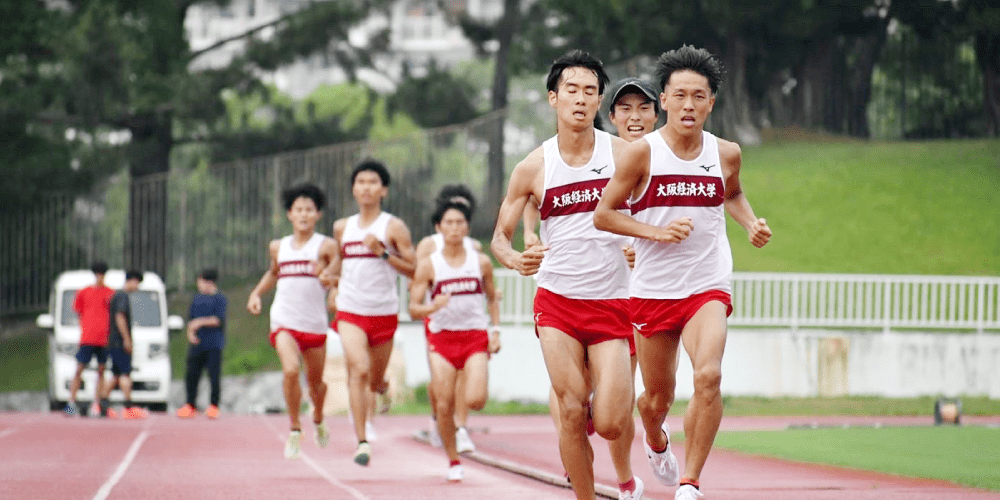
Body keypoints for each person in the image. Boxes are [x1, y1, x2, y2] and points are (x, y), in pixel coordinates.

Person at [594, 45, 773, 500]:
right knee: (656, 400)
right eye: (680, 96)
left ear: (711, 102)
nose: (689, 105)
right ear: (664, 101)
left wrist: (750, 223)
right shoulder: (641, 154)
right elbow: (604, 214)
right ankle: (656, 439)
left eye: (699, 96)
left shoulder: (726, 153)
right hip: (653, 290)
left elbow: (732, 194)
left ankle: (690, 483)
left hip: (706, 284)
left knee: (708, 376)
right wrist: (653, 234)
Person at [490, 49, 641, 500]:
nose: (580, 98)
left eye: (590, 91)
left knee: (611, 423)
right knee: (572, 411)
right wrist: (514, 259)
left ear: (599, 102)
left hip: (613, 300)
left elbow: (655, 209)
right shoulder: (533, 166)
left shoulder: (624, 155)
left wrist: (642, 245)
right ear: (553, 98)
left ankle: (602, 416)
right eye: (571, 90)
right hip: (557, 302)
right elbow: (499, 238)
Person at [410, 199, 501, 482]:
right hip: (442, 339)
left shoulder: (481, 262)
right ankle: (453, 460)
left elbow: (492, 297)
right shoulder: (429, 265)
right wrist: (432, 307)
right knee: (444, 403)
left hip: (474, 336)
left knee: (476, 399)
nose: (454, 228)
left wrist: (496, 330)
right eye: (448, 223)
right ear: (439, 227)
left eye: (460, 222)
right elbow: (413, 308)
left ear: (467, 227)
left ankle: (454, 425)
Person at [333, 159, 416, 466]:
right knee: (358, 370)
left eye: (372, 182)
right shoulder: (342, 227)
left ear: (383, 190)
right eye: (361, 182)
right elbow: (338, 262)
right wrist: (330, 281)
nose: (366, 187)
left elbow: (415, 269)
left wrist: (383, 253)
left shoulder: (393, 227)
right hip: (350, 309)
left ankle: (383, 386)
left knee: (374, 378)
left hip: (383, 312)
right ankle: (362, 441)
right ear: (354, 189)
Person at [247, 183, 339, 459]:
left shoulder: (326, 246)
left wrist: (329, 281)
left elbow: (338, 277)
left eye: (309, 210)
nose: (303, 215)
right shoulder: (278, 247)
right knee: (290, 371)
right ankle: (295, 428)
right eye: (298, 210)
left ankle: (318, 417)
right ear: (289, 214)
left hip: (314, 323)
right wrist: (256, 293)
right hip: (284, 320)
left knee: (316, 384)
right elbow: (273, 273)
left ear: (318, 214)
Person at [177, 268, 228, 419]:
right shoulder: (197, 299)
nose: (198, 285)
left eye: (200, 282)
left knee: (214, 376)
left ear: (208, 282)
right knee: (191, 375)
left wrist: (199, 323)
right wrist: (190, 334)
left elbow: (218, 320)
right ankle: (190, 405)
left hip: (213, 344)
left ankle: (214, 406)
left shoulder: (219, 299)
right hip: (197, 345)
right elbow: (190, 321)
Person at [66, 261, 114, 416]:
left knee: (101, 371)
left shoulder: (110, 293)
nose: (100, 277)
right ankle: (71, 402)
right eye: (98, 274)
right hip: (87, 338)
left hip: (103, 339)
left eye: (102, 274)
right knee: (79, 369)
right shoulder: (84, 292)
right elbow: (79, 312)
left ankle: (97, 403)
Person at [99, 270, 148, 419]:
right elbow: (120, 317)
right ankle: (128, 407)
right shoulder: (122, 296)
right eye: (137, 283)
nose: (137, 287)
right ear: (131, 280)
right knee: (125, 374)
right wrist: (127, 339)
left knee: (115, 375)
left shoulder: (117, 295)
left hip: (113, 342)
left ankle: (102, 404)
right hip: (119, 342)